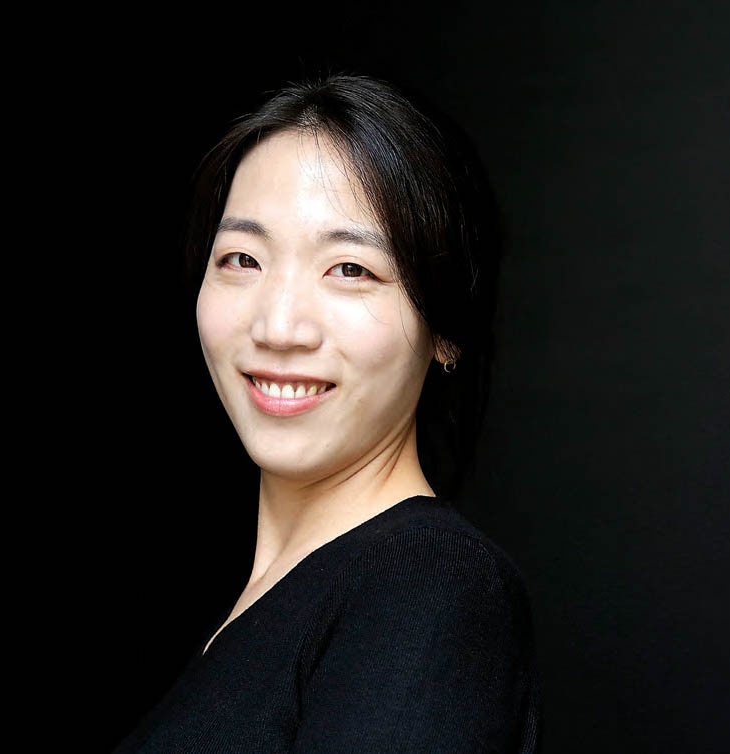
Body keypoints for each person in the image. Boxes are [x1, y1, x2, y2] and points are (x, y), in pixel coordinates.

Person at [114, 71, 542, 753]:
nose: (278, 326)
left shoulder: (428, 588)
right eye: (242, 259)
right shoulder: (258, 601)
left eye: (350, 269)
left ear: (447, 331)